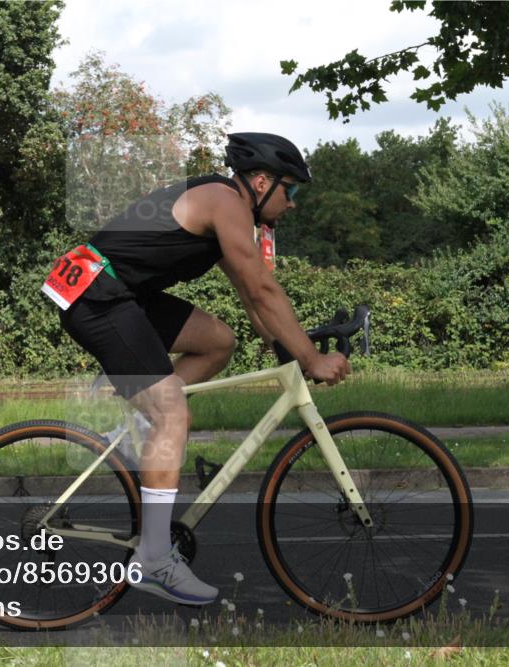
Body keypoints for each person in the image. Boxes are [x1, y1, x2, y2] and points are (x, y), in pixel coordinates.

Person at [43, 132, 352, 605]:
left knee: (217, 341)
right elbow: (266, 292)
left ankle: (140, 421)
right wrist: (311, 360)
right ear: (262, 181)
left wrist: (287, 351)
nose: (293, 204)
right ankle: (152, 560)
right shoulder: (225, 203)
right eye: (291, 190)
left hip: (118, 294)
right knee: (174, 414)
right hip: (98, 299)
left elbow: (253, 295)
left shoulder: (230, 210)